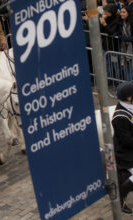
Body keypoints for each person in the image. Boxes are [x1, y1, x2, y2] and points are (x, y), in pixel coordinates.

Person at [112, 81, 133, 214]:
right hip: (125, 154)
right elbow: (127, 141)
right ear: (129, 98)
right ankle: (120, 197)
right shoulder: (120, 117)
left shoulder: (129, 107)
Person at [118, 6, 133, 80]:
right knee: (127, 67)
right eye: (121, 12)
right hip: (124, 48)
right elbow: (119, 33)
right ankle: (128, 84)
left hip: (131, 48)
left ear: (128, 13)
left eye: (124, 12)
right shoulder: (122, 22)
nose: (121, 14)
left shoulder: (132, 23)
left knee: (131, 68)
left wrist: (125, 38)